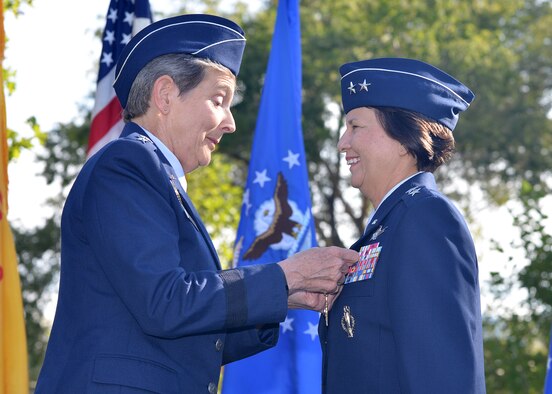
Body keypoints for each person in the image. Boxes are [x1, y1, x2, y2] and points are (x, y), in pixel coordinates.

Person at [35, 14, 358, 394]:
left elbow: (187, 335)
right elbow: (166, 303)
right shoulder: (127, 165)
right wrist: (285, 276)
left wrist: (283, 296)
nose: (230, 122)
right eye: (219, 100)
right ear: (166, 94)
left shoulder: (156, 176)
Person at [319, 57, 486, 393]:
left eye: (355, 126)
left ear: (404, 138)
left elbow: (441, 375)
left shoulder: (426, 219)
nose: (342, 143)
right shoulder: (389, 225)